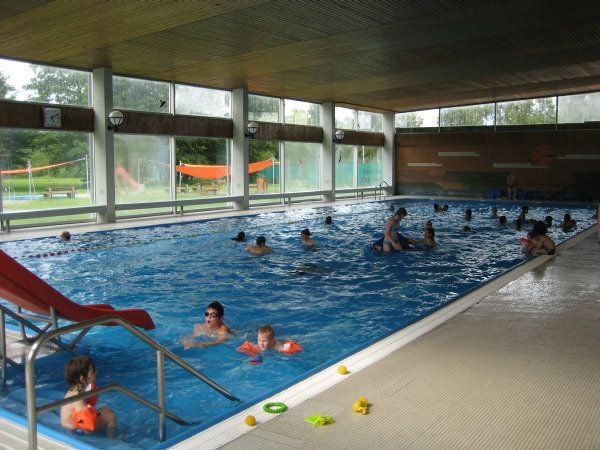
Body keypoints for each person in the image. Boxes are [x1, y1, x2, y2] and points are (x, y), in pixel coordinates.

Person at [60, 356, 116, 438]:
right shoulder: (77, 398)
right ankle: (112, 442)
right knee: (111, 417)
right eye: (93, 371)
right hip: (74, 430)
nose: (96, 372)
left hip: (77, 422)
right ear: (82, 379)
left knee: (107, 409)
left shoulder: (78, 388)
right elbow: (85, 425)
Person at [238, 325, 302, 355]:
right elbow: (239, 349)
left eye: (264, 341)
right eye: (259, 340)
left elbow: (297, 348)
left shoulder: (279, 347)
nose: (261, 344)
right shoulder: (257, 346)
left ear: (272, 341)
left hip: (279, 343)